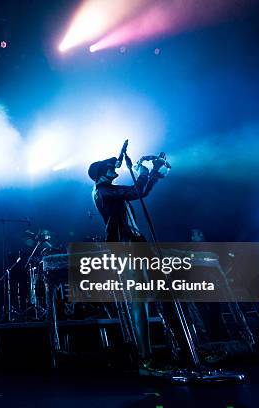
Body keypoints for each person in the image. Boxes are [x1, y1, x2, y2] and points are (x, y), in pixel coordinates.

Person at [88, 151, 174, 376]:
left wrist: (152, 173)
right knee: (140, 299)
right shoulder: (104, 191)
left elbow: (140, 191)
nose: (113, 167)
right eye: (108, 166)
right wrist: (145, 172)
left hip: (136, 243)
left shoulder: (109, 189)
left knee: (163, 294)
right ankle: (145, 359)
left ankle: (181, 348)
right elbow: (137, 191)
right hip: (126, 247)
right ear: (100, 174)